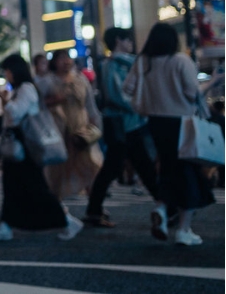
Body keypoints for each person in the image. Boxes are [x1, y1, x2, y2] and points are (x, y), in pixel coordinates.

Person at [122, 22, 214, 247]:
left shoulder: (143, 62)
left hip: (155, 122)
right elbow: (192, 94)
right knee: (189, 173)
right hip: (183, 123)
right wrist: (213, 82)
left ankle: (162, 211)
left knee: (168, 168)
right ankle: (183, 229)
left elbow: (127, 89)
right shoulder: (180, 60)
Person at [0, 54, 82, 242]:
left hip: (26, 146)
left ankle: (67, 221)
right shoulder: (21, 89)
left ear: (14, 71)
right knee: (11, 187)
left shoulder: (27, 89)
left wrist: (3, 98)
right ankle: (6, 226)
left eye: (7, 71)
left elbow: (16, 113)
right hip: (18, 144)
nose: (7, 75)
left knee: (36, 188)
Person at [84, 28, 161, 227]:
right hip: (124, 123)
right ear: (118, 40)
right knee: (123, 166)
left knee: (135, 165)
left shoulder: (127, 63)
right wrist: (140, 106)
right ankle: (165, 206)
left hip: (128, 123)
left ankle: (165, 205)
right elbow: (116, 95)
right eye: (127, 40)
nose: (130, 44)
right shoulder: (114, 65)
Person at [43, 53, 103, 200]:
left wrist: (94, 122)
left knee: (90, 162)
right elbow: (41, 104)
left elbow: (90, 104)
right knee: (60, 166)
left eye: (67, 58)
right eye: (61, 59)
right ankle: (56, 199)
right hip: (60, 128)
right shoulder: (49, 81)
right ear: (55, 62)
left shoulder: (80, 79)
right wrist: (55, 100)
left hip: (81, 128)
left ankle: (94, 201)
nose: (66, 62)